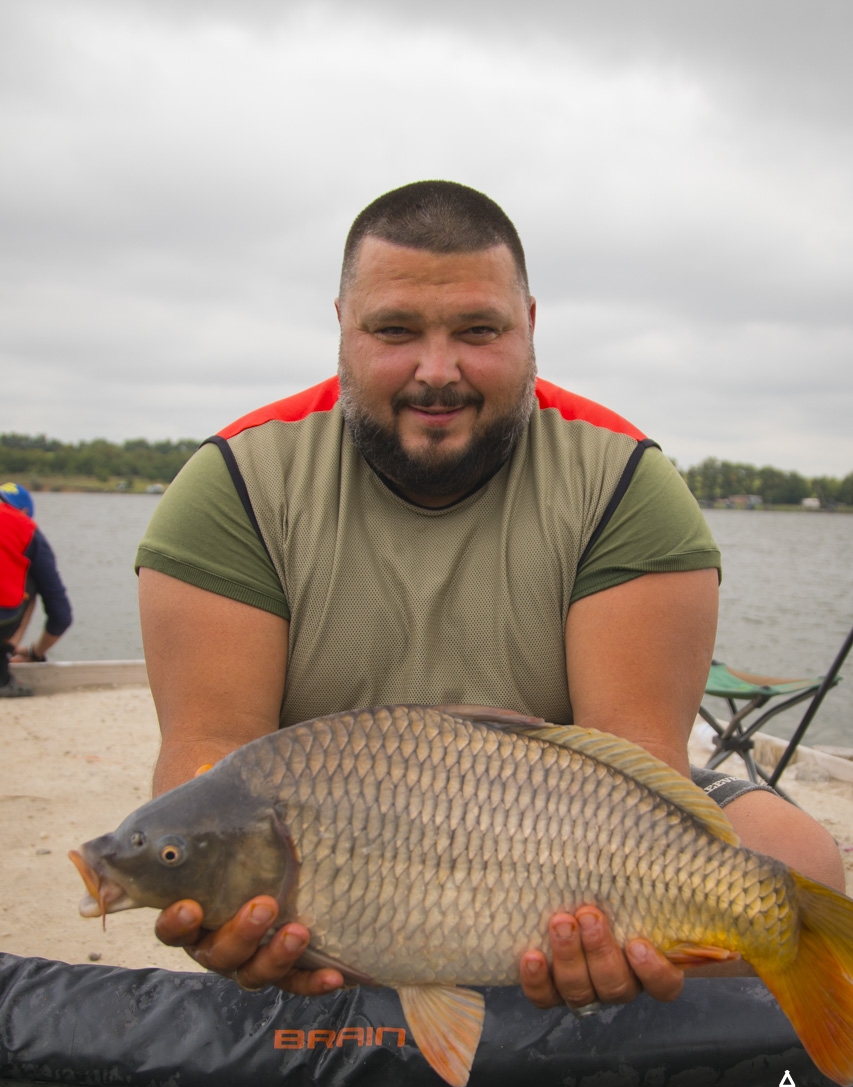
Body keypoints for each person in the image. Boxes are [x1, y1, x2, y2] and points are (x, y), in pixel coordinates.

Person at [136, 180, 844, 1011]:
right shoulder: (235, 484)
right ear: (342, 327)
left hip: (557, 820)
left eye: (478, 331)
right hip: (334, 828)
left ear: (529, 325)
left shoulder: (622, 481)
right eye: (394, 331)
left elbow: (634, 752)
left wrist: (608, 914)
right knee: (224, 877)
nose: (437, 372)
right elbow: (208, 751)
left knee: (797, 864)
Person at [0, 482, 73, 697]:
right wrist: (34, 652)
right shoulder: (26, 529)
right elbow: (60, 615)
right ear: (24, 512)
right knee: (32, 578)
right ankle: (2, 671)